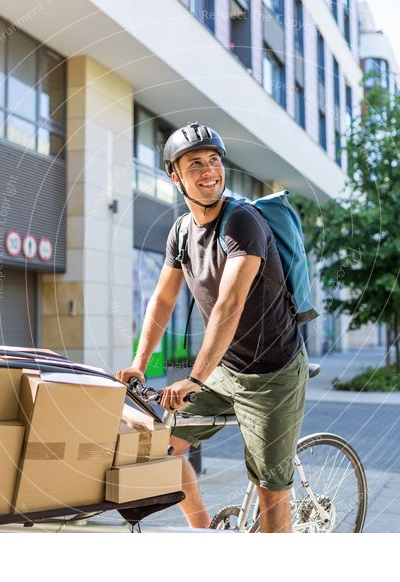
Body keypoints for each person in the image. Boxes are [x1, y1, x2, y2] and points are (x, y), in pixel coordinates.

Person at [115, 122, 308, 533]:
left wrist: (195, 378)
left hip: (273, 373)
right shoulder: (182, 232)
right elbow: (163, 299)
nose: (209, 171)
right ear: (176, 176)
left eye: (215, 161)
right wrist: (139, 362)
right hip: (227, 370)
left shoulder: (242, 222)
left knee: (270, 492)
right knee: (163, 449)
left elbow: (230, 302)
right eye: (196, 164)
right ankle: (205, 537)